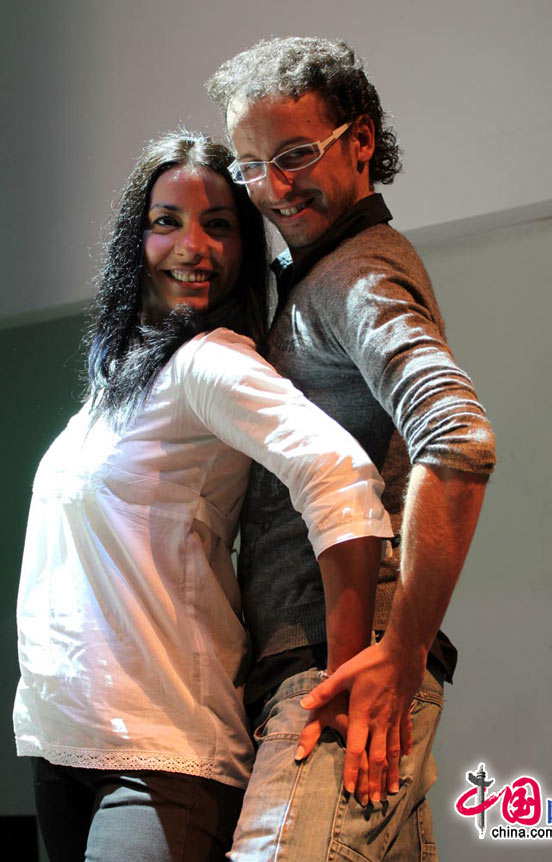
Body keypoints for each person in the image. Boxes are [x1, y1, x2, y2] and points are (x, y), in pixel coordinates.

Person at [12, 130, 394, 862]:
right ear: (136, 238)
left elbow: (339, 474)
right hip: (63, 746)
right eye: (168, 221)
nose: (194, 246)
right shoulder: (115, 383)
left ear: (243, 246)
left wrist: (347, 673)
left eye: (218, 225)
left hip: (160, 755)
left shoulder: (208, 362)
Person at [207, 36, 496, 860]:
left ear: (360, 140)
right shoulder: (316, 273)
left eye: (296, 154)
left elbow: (460, 436)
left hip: (342, 670)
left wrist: (397, 656)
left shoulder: (357, 273)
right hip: (325, 667)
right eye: (252, 165)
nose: (274, 187)